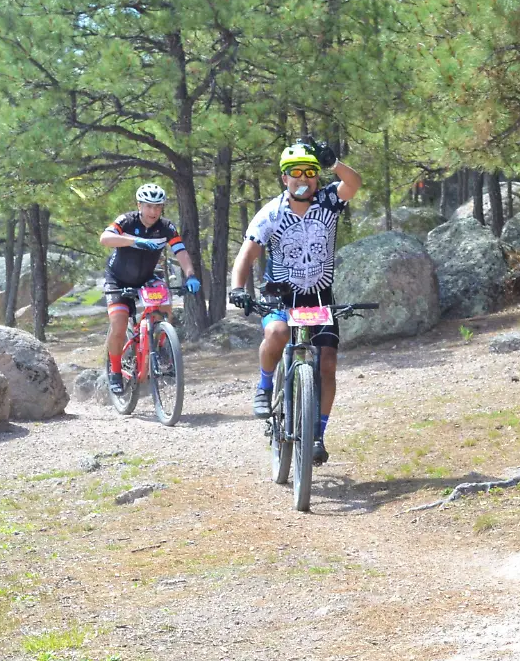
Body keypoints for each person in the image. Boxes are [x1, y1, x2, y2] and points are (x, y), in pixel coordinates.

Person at [229, 138, 362, 465]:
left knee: (327, 363)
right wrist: (237, 288)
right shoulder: (271, 212)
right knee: (276, 334)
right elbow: (248, 252)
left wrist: (333, 162)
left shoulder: (329, 201)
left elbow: (354, 183)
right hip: (280, 294)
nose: (303, 179)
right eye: (295, 173)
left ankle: (317, 433)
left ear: (316, 176)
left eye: (309, 172)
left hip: (319, 295)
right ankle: (264, 386)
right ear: (284, 178)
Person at [100, 183, 200, 394]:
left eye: (158, 207)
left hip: (146, 277)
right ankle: (116, 371)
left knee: (165, 305)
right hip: (117, 279)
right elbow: (105, 238)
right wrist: (136, 241)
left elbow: (180, 251)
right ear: (139, 205)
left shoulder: (166, 227)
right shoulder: (126, 221)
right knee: (118, 325)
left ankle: (162, 344)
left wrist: (190, 274)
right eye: (149, 206)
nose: (154, 211)